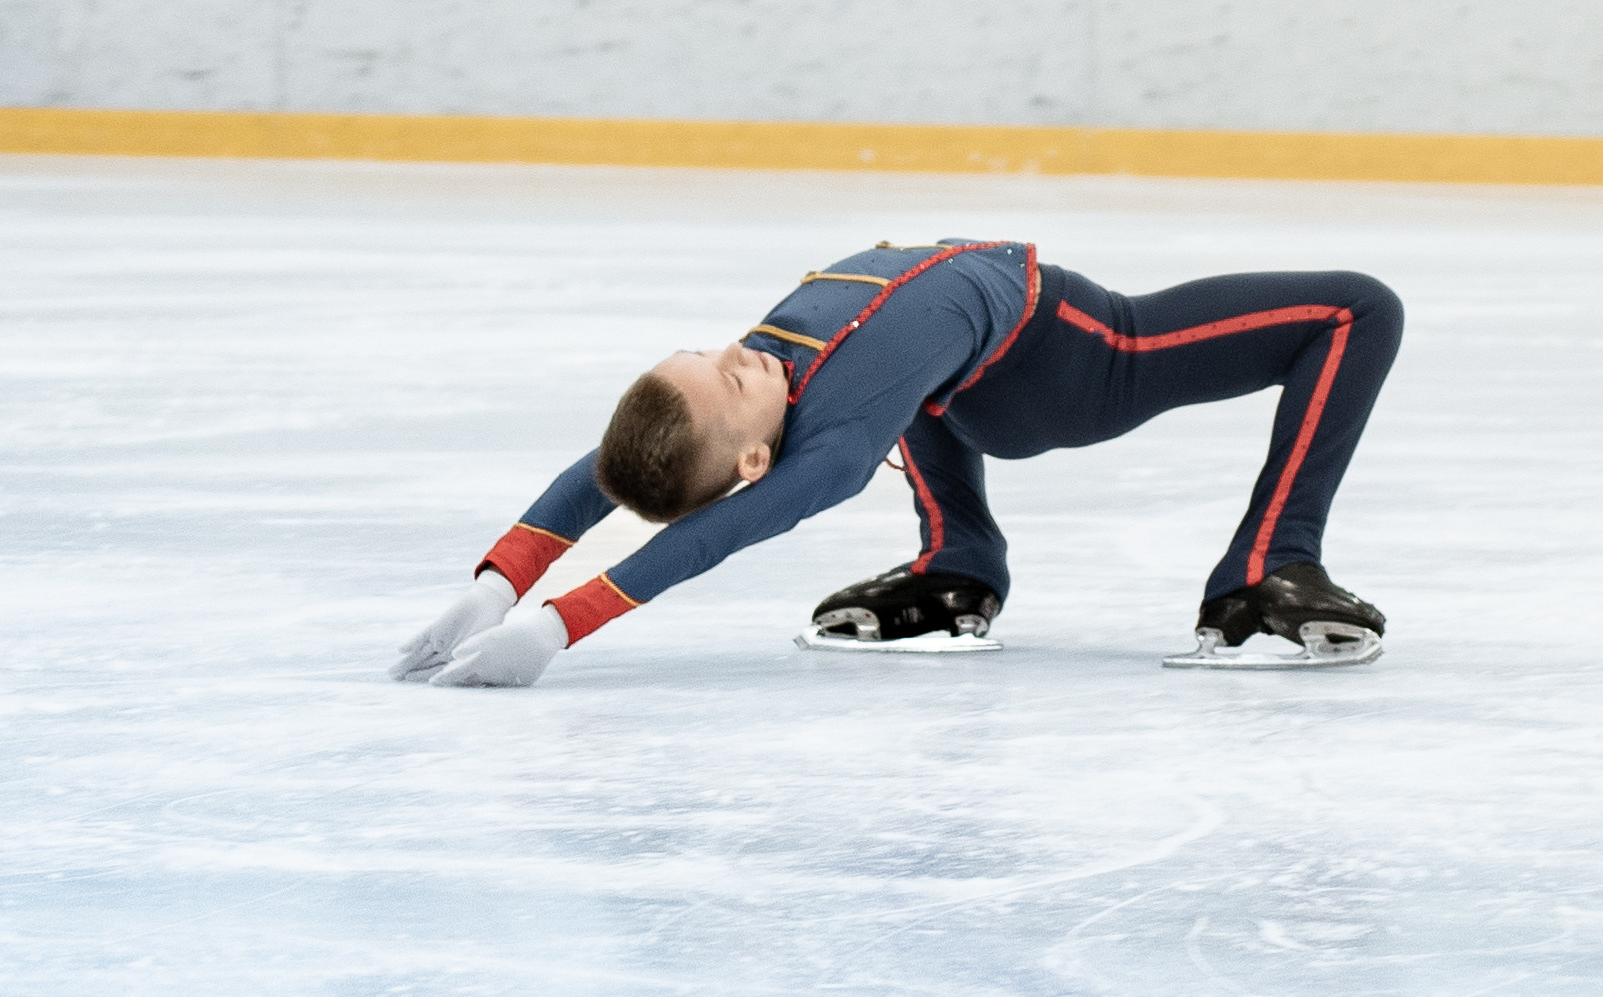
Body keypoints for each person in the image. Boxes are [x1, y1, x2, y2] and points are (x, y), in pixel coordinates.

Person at [391, 239, 1403, 687]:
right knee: (1358, 307)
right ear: (753, 458)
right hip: (1086, 357)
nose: (734, 354)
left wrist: (498, 587)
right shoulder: (823, 454)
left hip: (976, 376)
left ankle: (955, 567)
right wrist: (568, 626)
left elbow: (602, 472)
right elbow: (715, 534)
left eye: (705, 354)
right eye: (728, 380)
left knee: (913, 388)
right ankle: (1264, 574)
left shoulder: (770, 392)